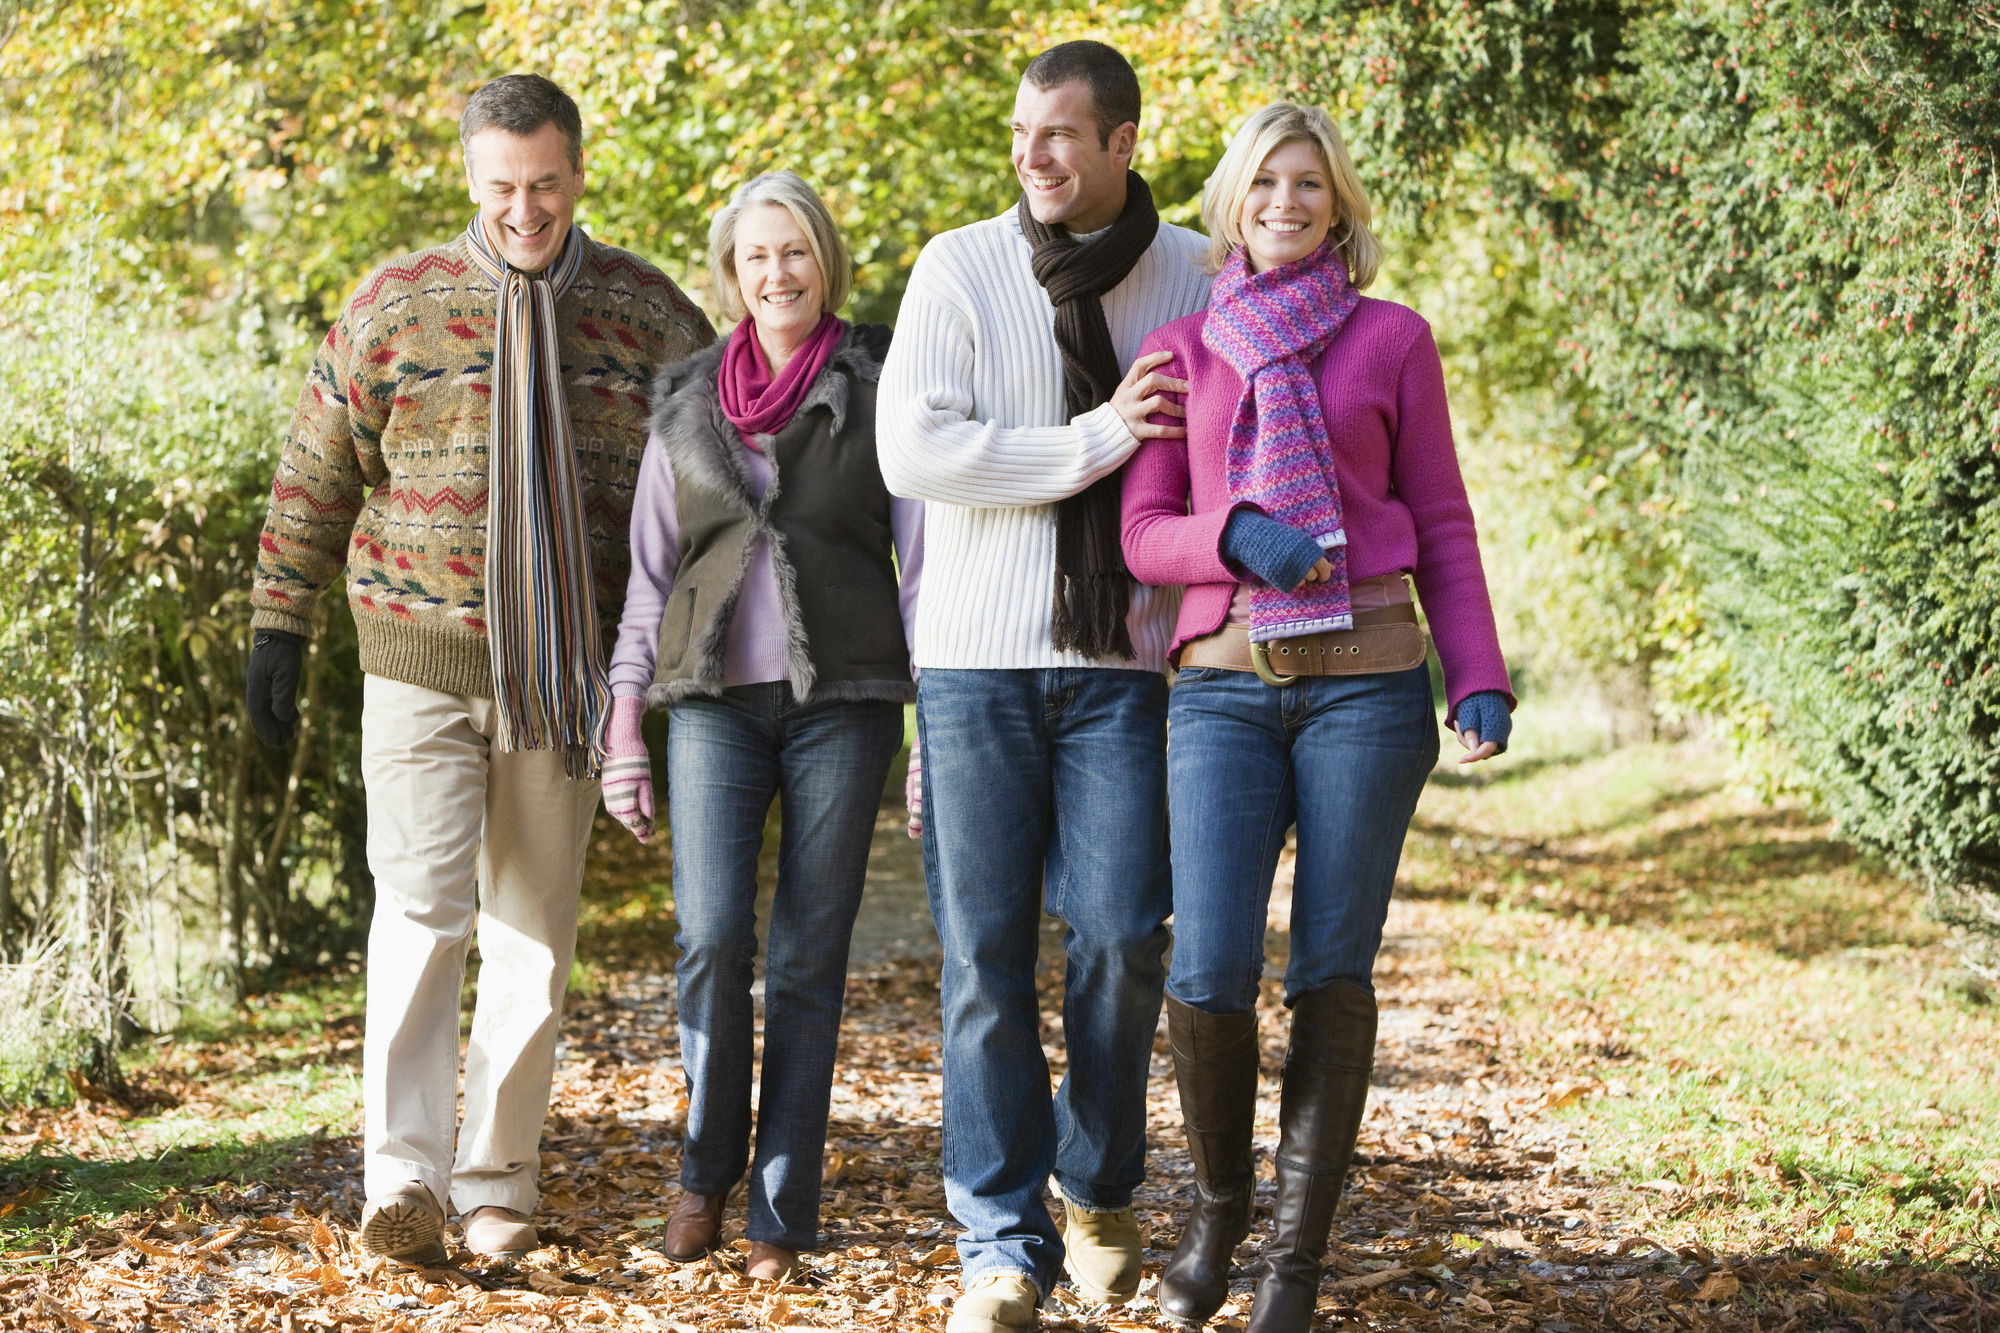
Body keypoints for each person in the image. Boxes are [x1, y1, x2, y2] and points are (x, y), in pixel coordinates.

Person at [244, 73, 713, 1263]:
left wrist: (690, 656)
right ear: (470, 177)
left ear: (577, 172)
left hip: (562, 672)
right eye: (503, 186)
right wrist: (276, 635)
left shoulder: (646, 312)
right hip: (417, 656)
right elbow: (315, 477)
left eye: (546, 183)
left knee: (531, 933)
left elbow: (715, 489)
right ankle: (401, 1177)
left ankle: (497, 1176)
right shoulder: (394, 306)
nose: (525, 209)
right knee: (418, 908)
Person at [1119, 102, 1515, 1332]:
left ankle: (1292, 1263)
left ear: (1337, 203)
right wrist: (1231, 533)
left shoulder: (1394, 339)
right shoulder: (1184, 350)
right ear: (1230, 203)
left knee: (1332, 972)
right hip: (1225, 690)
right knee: (1209, 968)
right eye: (1263, 183)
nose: (1285, 202)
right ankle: (1219, 1212)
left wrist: (1477, 671)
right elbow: (1142, 535)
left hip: (1367, 683)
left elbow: (1439, 518)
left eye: (1308, 184)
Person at [876, 39, 1210, 1333]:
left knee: (1126, 937)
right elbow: (920, 451)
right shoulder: (960, 266)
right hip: (973, 664)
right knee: (983, 958)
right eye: (1023, 135)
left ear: (1124, 141)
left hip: (1125, 665)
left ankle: (1100, 1182)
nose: (1034, 156)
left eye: (1062, 134)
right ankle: (999, 1246)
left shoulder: (1192, 272)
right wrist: (1100, 437)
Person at [598, 171, 921, 1284]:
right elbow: (648, 578)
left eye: (793, 252)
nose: (775, 273)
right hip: (710, 710)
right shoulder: (684, 398)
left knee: (805, 959)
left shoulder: (877, 381)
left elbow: (919, 564)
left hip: (847, 704)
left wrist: (934, 734)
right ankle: (702, 1172)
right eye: (753, 257)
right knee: (709, 937)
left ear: (822, 258)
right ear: (727, 275)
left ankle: (781, 1205)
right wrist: (623, 725)